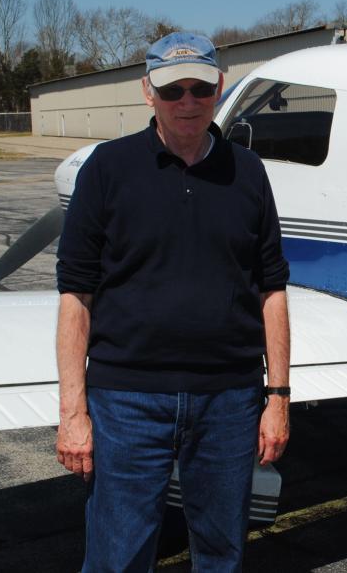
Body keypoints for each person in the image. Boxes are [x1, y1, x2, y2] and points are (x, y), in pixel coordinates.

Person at [55, 32, 291, 571]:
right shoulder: (107, 170)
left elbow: (271, 289)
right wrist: (73, 412)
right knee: (118, 554)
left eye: (200, 88)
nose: (187, 101)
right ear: (147, 91)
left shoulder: (248, 172)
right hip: (127, 400)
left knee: (221, 552)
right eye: (172, 90)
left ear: (219, 88)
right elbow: (77, 295)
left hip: (229, 400)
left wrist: (277, 397)